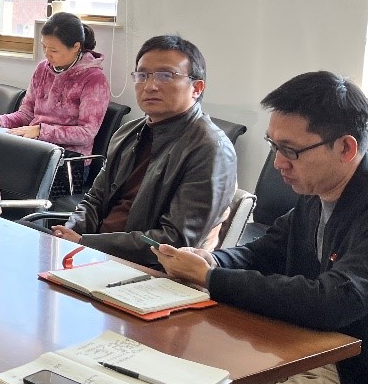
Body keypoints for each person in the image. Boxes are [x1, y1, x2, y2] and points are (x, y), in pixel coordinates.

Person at [0, 70, 368, 384]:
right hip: (300, 352)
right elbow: (260, 252)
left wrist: (213, 277)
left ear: (345, 147)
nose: (279, 163)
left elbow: (333, 300)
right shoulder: (316, 194)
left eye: (291, 150)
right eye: (273, 146)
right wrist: (209, 259)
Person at [47, 34, 235, 268]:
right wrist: (69, 234)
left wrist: (86, 243)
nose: (150, 86)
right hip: (94, 256)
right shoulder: (128, 132)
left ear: (196, 88)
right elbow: (95, 199)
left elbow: (175, 241)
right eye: (142, 75)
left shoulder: (211, 149)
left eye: (166, 75)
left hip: (146, 270)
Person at [0, 12, 109, 161]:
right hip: (34, 147)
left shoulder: (94, 79)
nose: (47, 54)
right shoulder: (42, 69)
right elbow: (26, 114)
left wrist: (40, 131)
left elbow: (86, 133)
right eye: (44, 47)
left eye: (54, 50)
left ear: (76, 47)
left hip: (67, 159)